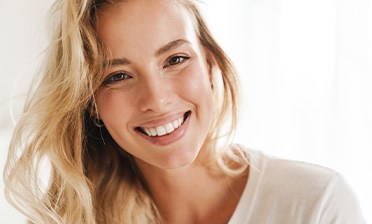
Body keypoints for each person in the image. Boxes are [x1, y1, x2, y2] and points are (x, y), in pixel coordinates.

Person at [3, 0, 365, 223]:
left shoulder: (316, 204)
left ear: (210, 65)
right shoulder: (72, 220)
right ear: (90, 102)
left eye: (175, 59)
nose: (157, 100)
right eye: (117, 76)